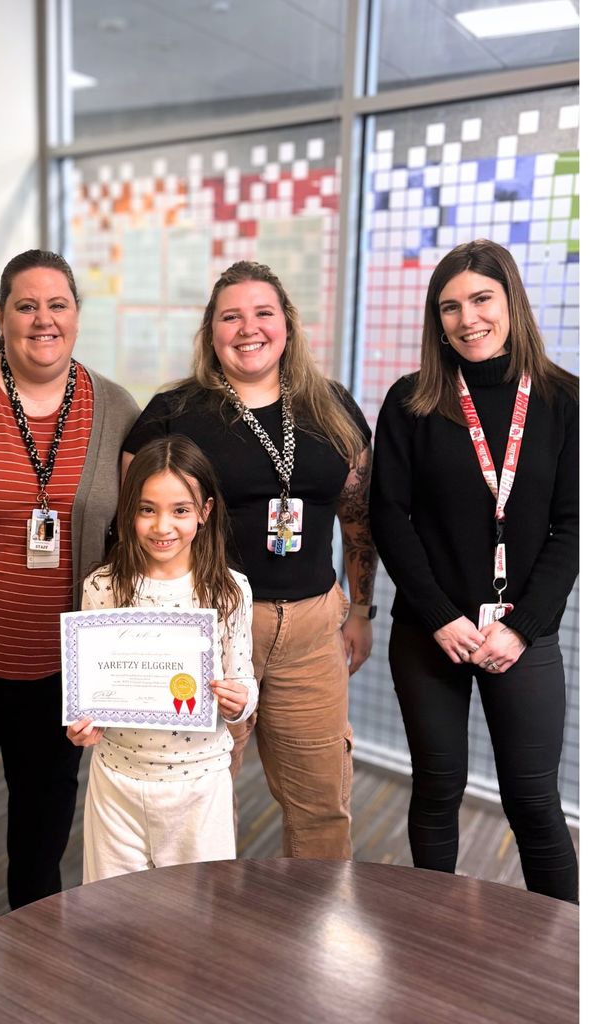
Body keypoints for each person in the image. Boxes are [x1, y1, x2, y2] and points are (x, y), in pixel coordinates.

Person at [0, 249, 138, 949]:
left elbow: (137, 538)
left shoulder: (118, 408)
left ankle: (34, 951)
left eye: (58, 305)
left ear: (76, 314)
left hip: (63, 672)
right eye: (26, 305)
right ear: (2, 316)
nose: (43, 319)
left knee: (43, 830)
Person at [123, 261, 377, 861]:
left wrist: (362, 609)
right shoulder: (173, 411)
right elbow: (134, 530)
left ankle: (317, 931)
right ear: (210, 331)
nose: (248, 328)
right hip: (209, 631)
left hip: (314, 627)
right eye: (230, 316)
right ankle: (205, 936)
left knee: (320, 803)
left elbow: (359, 517)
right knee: (198, 798)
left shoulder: (333, 407)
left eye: (263, 313)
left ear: (286, 324)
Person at [369, 238, 578, 902]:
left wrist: (521, 629)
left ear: (509, 300)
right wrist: (440, 617)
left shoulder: (563, 400)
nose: (466, 319)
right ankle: (429, 941)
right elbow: (388, 518)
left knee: (533, 802)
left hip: (522, 635)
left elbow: (573, 526)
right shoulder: (411, 402)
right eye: (449, 307)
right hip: (431, 633)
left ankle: (564, 959)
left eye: (480, 299)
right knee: (435, 785)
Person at [67, 436, 258, 881]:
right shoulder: (102, 587)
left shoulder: (229, 592)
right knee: (114, 915)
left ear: (205, 512)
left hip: (200, 783)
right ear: (128, 509)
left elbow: (244, 680)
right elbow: (89, 695)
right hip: (117, 779)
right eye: (147, 509)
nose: (162, 526)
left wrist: (239, 701)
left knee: (196, 919)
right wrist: (81, 724)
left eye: (181, 510)